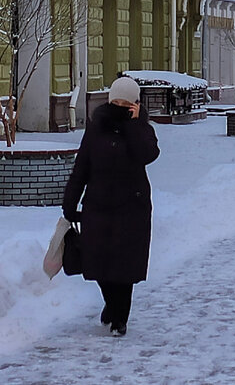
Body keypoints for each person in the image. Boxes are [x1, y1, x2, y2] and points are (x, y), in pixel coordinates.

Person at [62, 76, 160, 337]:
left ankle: (120, 319)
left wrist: (134, 124)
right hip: (99, 205)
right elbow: (81, 167)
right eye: (116, 102)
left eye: (125, 103)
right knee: (97, 263)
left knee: (125, 266)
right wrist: (69, 202)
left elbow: (148, 154)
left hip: (132, 207)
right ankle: (110, 303)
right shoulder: (96, 128)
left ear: (135, 104)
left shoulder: (142, 129)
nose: (119, 106)